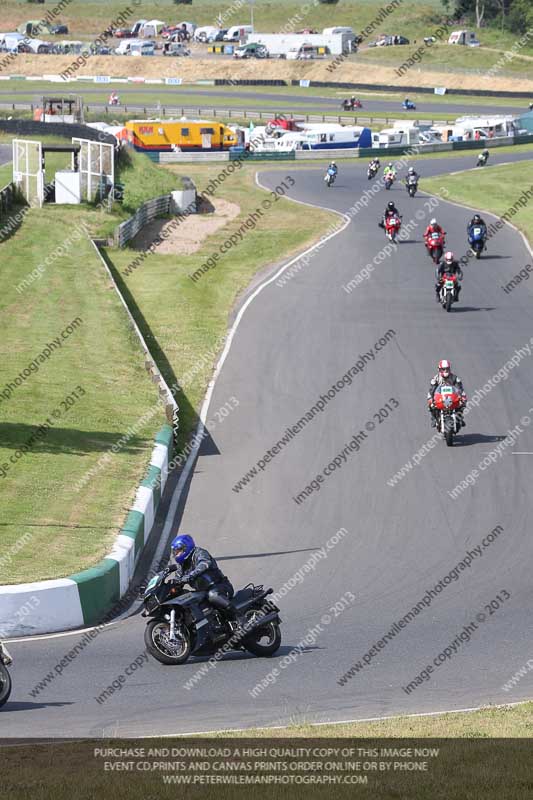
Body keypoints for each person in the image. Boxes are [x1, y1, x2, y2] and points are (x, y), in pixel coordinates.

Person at [169, 534, 235, 620]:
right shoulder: (181, 565)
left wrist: (190, 576)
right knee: (188, 603)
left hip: (219, 586)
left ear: (185, 548)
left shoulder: (199, 552)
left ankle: (239, 617)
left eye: (178, 551)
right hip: (202, 593)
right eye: (175, 552)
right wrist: (171, 586)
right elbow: (178, 579)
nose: (176, 554)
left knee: (213, 595)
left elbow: (204, 564)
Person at [427, 359, 467, 428]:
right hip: (440, 397)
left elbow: (460, 388)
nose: (445, 371)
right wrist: (431, 398)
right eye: (443, 369)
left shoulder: (455, 378)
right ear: (439, 370)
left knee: (462, 403)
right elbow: (432, 390)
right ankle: (434, 419)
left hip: (452, 397)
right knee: (431, 405)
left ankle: (459, 417)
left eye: (447, 369)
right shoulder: (435, 379)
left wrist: (462, 396)